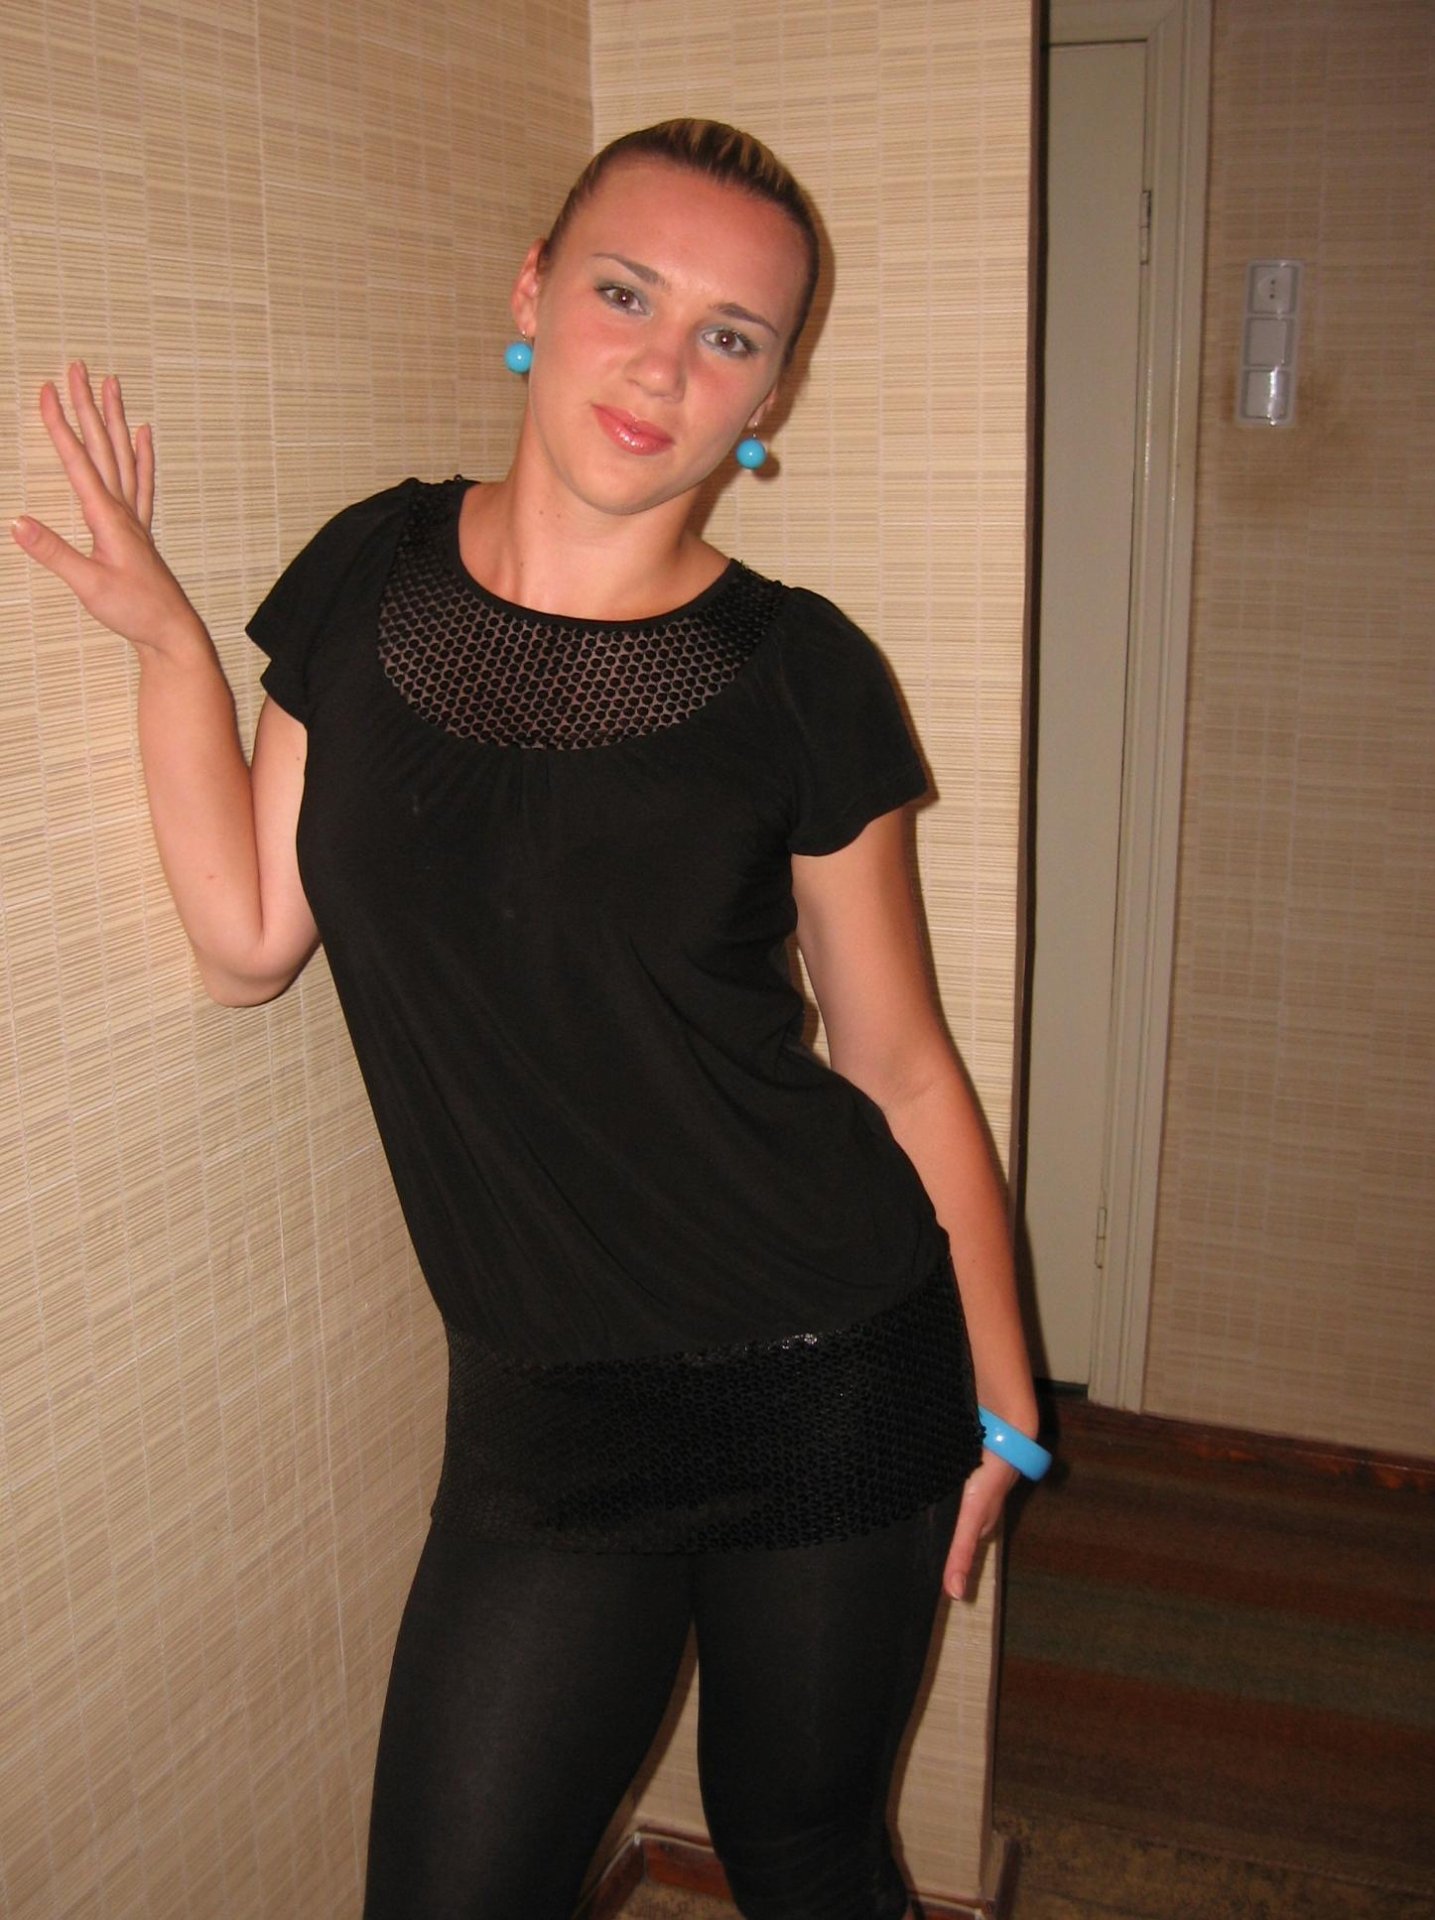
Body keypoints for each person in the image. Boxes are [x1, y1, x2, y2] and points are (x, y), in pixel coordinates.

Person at [14, 119, 1043, 1920]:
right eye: (625, 294)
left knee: (802, 1850)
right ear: (533, 294)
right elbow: (249, 940)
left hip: (832, 1362)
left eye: (731, 335)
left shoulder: (803, 674)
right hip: (547, 1413)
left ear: (771, 396)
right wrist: (174, 645)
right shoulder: (368, 576)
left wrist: (1006, 1393)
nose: (662, 365)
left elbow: (896, 1062)